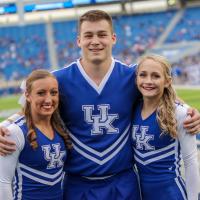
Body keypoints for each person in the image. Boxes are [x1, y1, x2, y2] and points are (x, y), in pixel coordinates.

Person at [0, 10, 200, 200]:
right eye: (88, 35)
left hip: (123, 182)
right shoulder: (59, 79)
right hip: (78, 184)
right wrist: (4, 125)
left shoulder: (131, 76)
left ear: (113, 38)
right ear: (78, 40)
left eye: (102, 34)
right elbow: (30, 107)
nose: (95, 41)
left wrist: (188, 111)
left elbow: (160, 91)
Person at [132, 54, 200, 200]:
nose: (148, 81)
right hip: (139, 193)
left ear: (167, 81)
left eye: (156, 76)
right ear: (136, 78)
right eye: (143, 75)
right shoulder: (132, 108)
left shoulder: (181, 113)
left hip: (171, 193)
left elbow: (190, 162)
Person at [0, 70, 70, 200]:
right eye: (41, 93)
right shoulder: (15, 132)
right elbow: (3, 183)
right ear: (27, 95)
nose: (48, 99)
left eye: (53, 93)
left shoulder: (60, 127)